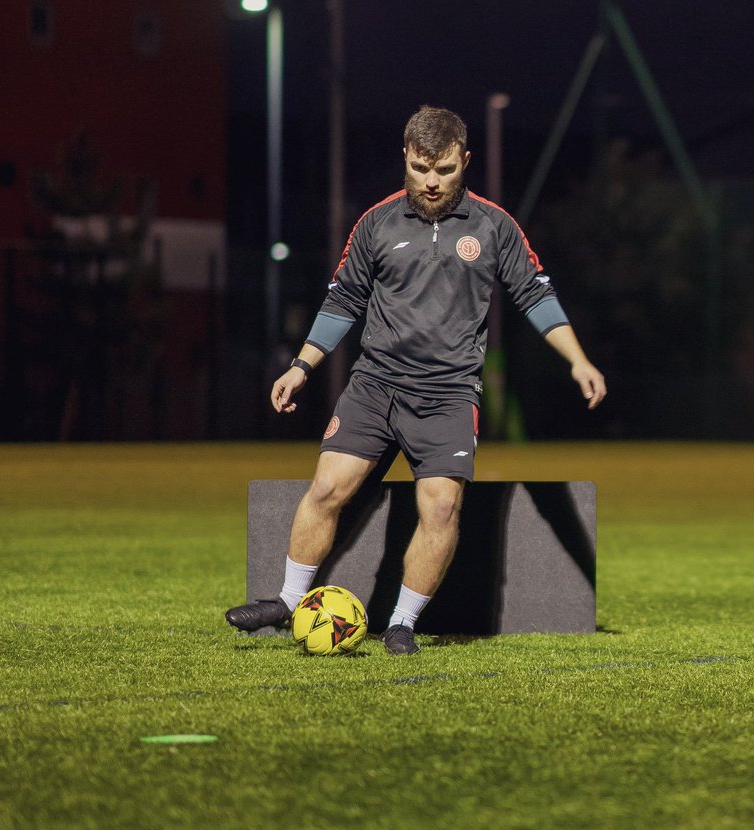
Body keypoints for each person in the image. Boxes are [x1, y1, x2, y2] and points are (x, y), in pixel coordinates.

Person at [226, 106, 606, 654]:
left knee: (441, 508)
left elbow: (535, 294)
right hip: (375, 384)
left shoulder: (494, 226)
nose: (432, 182)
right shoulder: (376, 223)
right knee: (328, 488)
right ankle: (287, 602)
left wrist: (578, 360)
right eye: (422, 168)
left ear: (465, 162)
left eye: (446, 170)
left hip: (448, 394)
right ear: (405, 157)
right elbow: (343, 300)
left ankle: (403, 622)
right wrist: (301, 366)